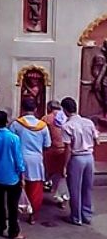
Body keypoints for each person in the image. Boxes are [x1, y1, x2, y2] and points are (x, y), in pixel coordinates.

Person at [0, 109, 26, 239]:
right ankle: (13, 231)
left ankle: (0, 227)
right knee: (12, 206)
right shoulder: (14, 138)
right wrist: (22, 175)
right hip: (13, 176)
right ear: (7, 121)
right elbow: (18, 159)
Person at [9, 97, 51, 223]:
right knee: (35, 188)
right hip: (36, 160)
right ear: (36, 109)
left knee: (17, 187)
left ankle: (16, 211)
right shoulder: (43, 126)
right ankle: (32, 215)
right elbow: (47, 145)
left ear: (22, 108)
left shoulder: (16, 124)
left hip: (19, 158)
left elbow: (11, 143)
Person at [60, 96, 98, 226]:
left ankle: (76, 217)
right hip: (89, 157)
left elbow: (68, 148)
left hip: (77, 158)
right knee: (87, 187)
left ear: (64, 110)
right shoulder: (89, 122)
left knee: (75, 188)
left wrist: (65, 166)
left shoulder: (67, 126)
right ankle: (86, 215)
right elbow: (97, 140)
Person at [43, 100, 70, 209]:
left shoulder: (46, 118)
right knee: (62, 175)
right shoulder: (66, 117)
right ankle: (63, 198)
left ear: (49, 108)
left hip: (51, 150)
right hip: (65, 149)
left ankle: (47, 188)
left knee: (49, 172)